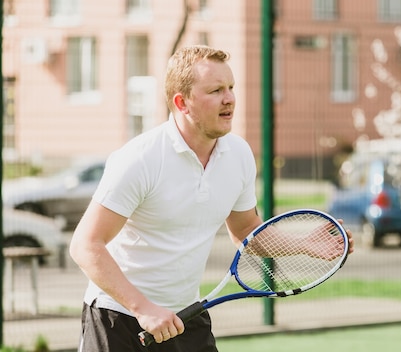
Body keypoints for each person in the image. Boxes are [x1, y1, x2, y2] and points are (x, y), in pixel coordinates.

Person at [69, 45, 353, 352]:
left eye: (230, 88)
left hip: (186, 317)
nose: (229, 98)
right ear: (182, 102)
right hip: (119, 319)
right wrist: (143, 309)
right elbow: (85, 245)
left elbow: (246, 232)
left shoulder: (240, 155)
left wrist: (305, 244)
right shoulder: (139, 159)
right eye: (215, 90)